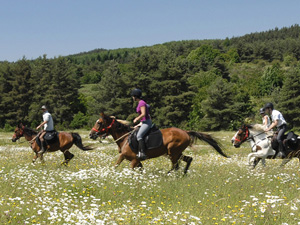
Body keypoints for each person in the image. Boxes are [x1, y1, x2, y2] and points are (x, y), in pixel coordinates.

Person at [131, 88, 152, 160]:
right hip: (143, 122)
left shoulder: (141, 103)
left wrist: (137, 119)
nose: (132, 97)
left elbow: (143, 114)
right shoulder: (140, 103)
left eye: (133, 96)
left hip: (146, 123)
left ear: (135, 96)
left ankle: (142, 153)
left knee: (139, 136)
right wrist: (139, 124)